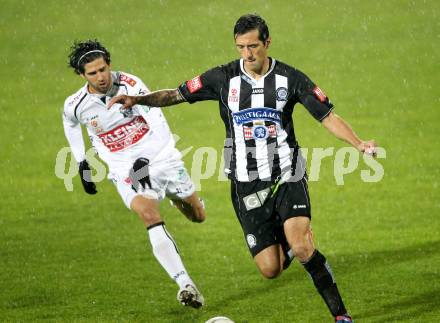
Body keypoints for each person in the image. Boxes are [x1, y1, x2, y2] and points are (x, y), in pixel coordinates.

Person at [109, 14, 377, 322]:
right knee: (270, 269)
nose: (248, 54)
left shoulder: (291, 79)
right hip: (244, 182)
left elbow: (327, 116)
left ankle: (341, 315)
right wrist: (138, 99)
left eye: (253, 46)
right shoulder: (222, 78)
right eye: (241, 47)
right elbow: (176, 94)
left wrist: (357, 143)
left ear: (267, 43)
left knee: (304, 248)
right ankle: (291, 240)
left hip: (287, 171)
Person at [62, 39, 206, 309]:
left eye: (103, 69)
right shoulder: (76, 104)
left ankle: (178, 198)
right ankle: (185, 285)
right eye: (92, 73)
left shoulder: (131, 85)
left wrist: (145, 158)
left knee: (198, 216)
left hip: (161, 156)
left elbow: (159, 125)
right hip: (123, 167)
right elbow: (70, 123)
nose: (100, 77)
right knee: (148, 214)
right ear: (82, 76)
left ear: (109, 64)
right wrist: (81, 162)